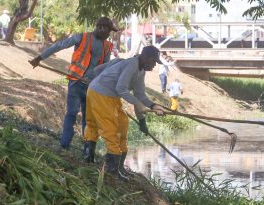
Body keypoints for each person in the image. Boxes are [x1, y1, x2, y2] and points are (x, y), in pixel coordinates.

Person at [29, 17, 118, 152]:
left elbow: (104, 68)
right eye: (108, 31)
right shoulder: (81, 37)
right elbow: (59, 46)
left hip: (92, 87)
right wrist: (39, 58)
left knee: (88, 119)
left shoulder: (107, 46)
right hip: (76, 81)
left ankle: (87, 150)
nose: (109, 34)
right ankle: (65, 145)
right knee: (71, 113)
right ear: (101, 28)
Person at [83, 45, 165, 180]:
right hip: (101, 93)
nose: (154, 65)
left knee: (122, 124)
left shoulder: (140, 71)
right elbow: (121, 88)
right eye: (153, 61)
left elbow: (140, 95)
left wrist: (152, 108)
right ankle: (111, 169)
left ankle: (119, 167)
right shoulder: (132, 64)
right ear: (145, 58)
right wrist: (137, 104)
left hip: (109, 95)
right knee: (110, 128)